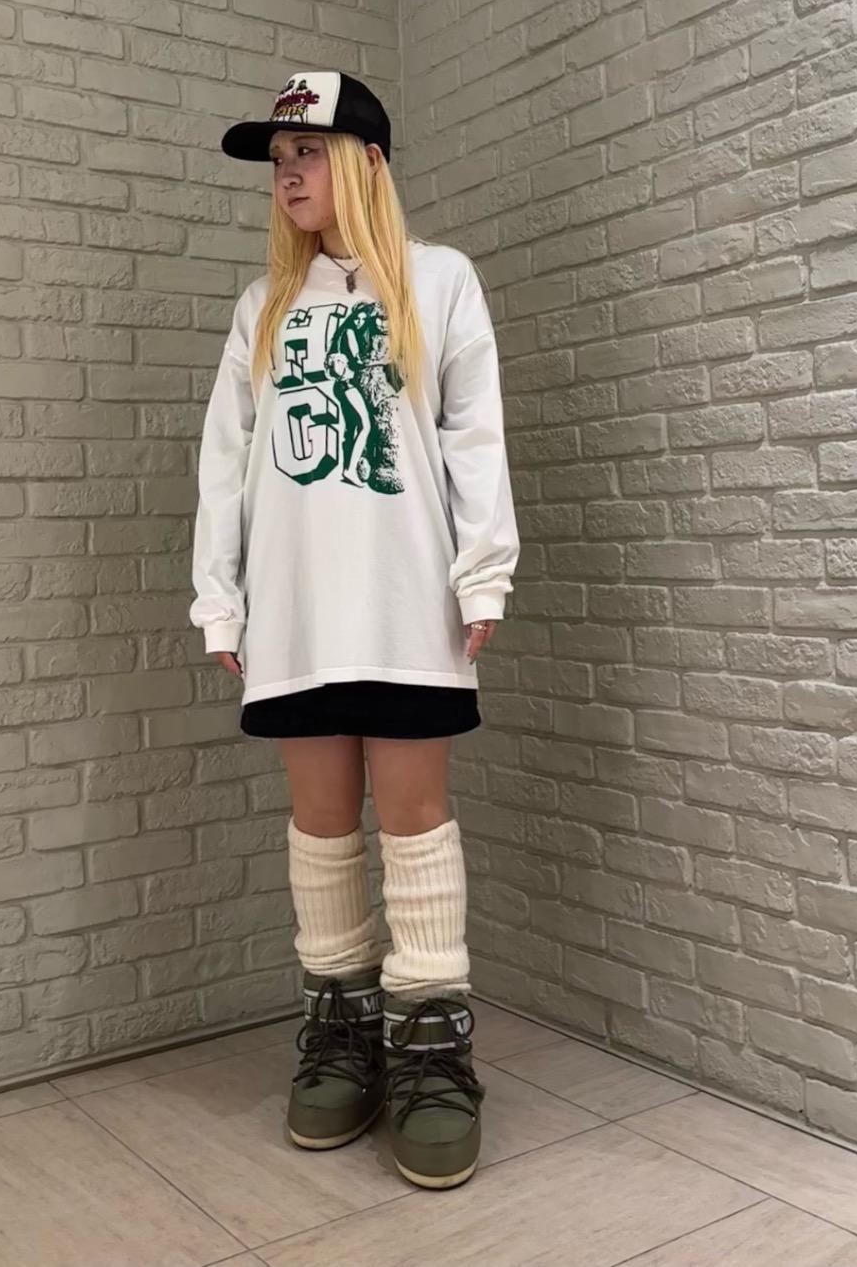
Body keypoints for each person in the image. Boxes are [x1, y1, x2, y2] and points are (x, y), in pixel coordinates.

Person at [190, 70, 521, 1190]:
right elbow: (226, 462)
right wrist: (220, 596)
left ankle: (430, 1045)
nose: (287, 174)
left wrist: (482, 575)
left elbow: (473, 435)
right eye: (278, 159)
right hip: (296, 607)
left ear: (368, 162)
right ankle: (340, 1029)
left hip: (403, 599)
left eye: (309, 153)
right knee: (322, 825)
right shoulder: (264, 307)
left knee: (414, 821)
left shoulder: (440, 281)